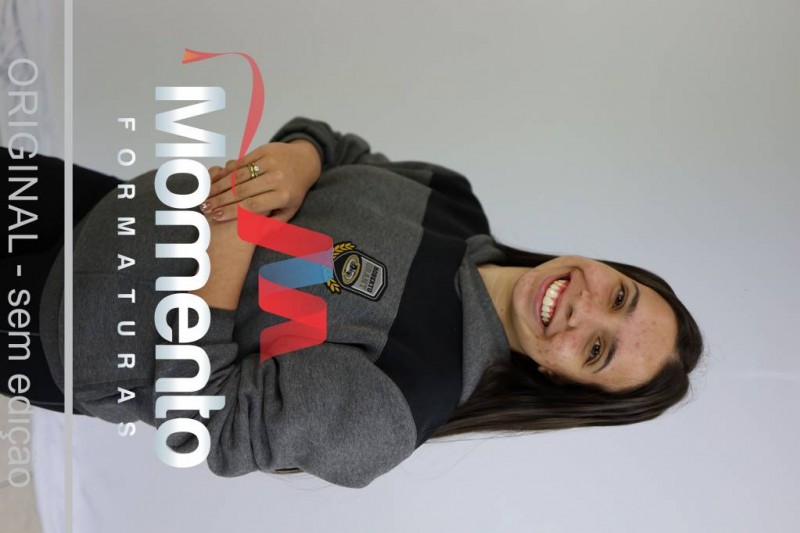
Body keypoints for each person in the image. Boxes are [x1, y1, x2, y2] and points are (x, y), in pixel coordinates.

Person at [1, 117, 703, 488]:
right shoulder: (452, 199)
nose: (585, 308)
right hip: (93, 204)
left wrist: (233, 236)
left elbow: (209, 424)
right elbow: (339, 147)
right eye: (620, 294)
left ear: (561, 379)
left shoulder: (403, 402)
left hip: (58, 322)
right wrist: (301, 158)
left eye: (596, 348)